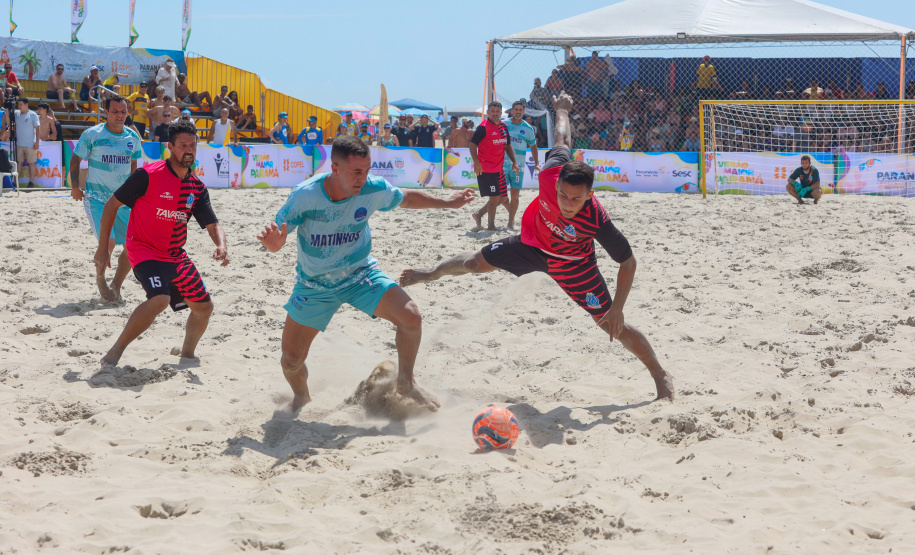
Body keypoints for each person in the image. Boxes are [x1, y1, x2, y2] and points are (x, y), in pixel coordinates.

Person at [399, 92, 675, 403]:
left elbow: (628, 262)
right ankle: (430, 273)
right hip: (532, 245)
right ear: (556, 185)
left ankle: (659, 374)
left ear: (589, 195)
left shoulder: (597, 219)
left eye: (576, 199)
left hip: (574, 264)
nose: (568, 204)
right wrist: (560, 110)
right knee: (474, 264)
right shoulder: (549, 173)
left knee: (610, 324)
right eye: (563, 196)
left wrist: (618, 308)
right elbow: (560, 138)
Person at [254, 134, 476, 413]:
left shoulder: (373, 189)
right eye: (356, 171)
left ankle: (406, 383)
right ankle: (302, 397)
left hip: (360, 274)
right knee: (290, 361)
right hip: (315, 285)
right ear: (335, 168)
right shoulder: (306, 195)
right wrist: (275, 245)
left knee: (411, 317)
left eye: (367, 170)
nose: (363, 177)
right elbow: (279, 233)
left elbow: (406, 198)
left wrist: (447, 202)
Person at [94, 119, 229, 367]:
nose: (189, 150)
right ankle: (115, 351)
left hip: (175, 254)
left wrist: (221, 245)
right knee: (160, 299)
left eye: (193, 145)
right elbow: (111, 205)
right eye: (183, 145)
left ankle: (187, 354)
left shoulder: (196, 187)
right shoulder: (147, 175)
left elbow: (212, 223)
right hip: (144, 249)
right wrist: (103, 248)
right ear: (170, 146)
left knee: (204, 308)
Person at [69, 94, 143, 303]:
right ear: (105, 112)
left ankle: (116, 284)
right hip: (96, 199)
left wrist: (135, 194)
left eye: (123, 112)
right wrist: (75, 187)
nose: (120, 115)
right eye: (115, 111)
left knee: (134, 246)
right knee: (108, 243)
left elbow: (134, 167)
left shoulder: (132, 138)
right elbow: (75, 160)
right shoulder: (92, 134)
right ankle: (101, 280)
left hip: (123, 200)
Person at [469, 101, 518, 231]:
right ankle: (491, 226)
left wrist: (515, 162)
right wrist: (476, 162)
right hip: (486, 169)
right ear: (488, 112)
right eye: (493, 111)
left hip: (499, 169)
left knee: (503, 198)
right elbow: (472, 145)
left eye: (497, 112)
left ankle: (478, 214)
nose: (495, 114)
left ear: (501, 113)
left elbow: (507, 146)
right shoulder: (483, 127)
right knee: (495, 197)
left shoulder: (503, 126)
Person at [501, 100, 539, 229]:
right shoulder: (503, 124)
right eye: (515, 109)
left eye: (520, 110)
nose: (518, 112)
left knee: (515, 195)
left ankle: (511, 222)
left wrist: (536, 163)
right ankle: (511, 211)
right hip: (502, 165)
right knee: (501, 195)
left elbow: (533, 146)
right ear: (511, 111)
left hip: (519, 167)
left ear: (523, 111)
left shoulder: (528, 128)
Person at [13, 98, 40, 188]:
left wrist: (37, 142)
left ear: (26, 105)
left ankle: (31, 182)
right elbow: (9, 119)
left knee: (31, 163)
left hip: (30, 144)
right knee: (18, 163)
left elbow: (38, 129)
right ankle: (15, 182)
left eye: (21, 104)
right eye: (18, 104)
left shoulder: (32, 114)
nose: (19, 106)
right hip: (19, 144)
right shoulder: (17, 113)